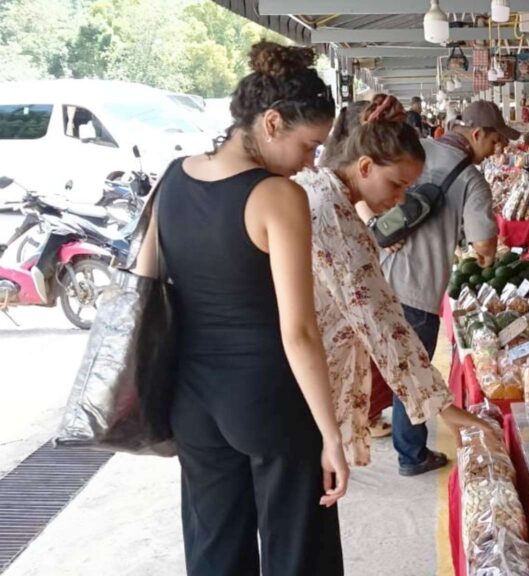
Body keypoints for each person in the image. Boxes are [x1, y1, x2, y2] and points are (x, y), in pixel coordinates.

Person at [134, 42, 345, 575]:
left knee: (213, 548)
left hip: (193, 399)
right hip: (267, 398)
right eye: (308, 145)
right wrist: (332, 434)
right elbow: (298, 332)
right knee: (297, 551)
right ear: (272, 123)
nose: (309, 162)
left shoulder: (172, 178)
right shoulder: (277, 197)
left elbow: (144, 286)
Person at [292, 94, 497, 469]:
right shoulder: (331, 214)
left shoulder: (322, 194)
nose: (401, 200)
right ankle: (411, 452)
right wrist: (447, 410)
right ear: (365, 166)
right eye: (397, 185)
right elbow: (379, 322)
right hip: (298, 395)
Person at [366, 100, 519, 475]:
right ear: (477, 134)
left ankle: (378, 425)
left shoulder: (414, 148)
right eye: (496, 141)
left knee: (390, 359)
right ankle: (412, 454)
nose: (498, 149)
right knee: (414, 369)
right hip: (418, 286)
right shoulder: (471, 179)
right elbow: (485, 246)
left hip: (378, 273)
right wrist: (482, 254)